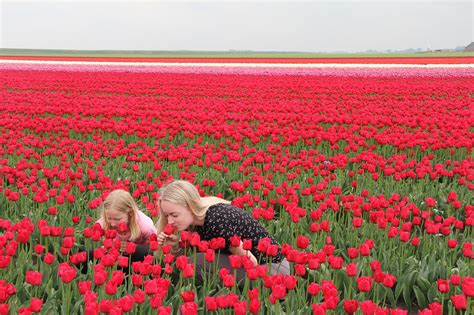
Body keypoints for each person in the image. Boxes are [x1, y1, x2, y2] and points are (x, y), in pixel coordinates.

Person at [156, 180, 290, 284]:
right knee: (195, 262)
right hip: (259, 268)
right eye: (167, 216)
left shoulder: (217, 220)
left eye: (174, 215)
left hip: (271, 270)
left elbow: (252, 262)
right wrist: (174, 245)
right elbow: (183, 257)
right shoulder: (194, 221)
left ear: (190, 206)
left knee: (196, 263)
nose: (169, 221)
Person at [82, 189, 157, 273]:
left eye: (117, 219)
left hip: (137, 256)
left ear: (130, 214)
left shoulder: (145, 227)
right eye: (109, 218)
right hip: (115, 256)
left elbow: (154, 249)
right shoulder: (102, 225)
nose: (113, 223)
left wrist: (134, 248)